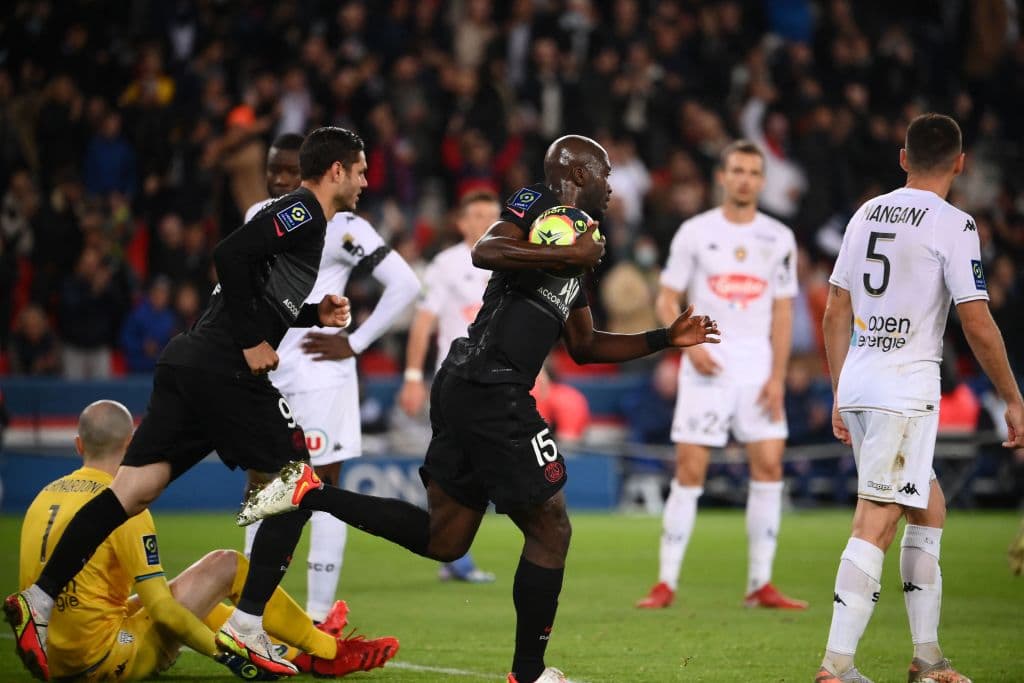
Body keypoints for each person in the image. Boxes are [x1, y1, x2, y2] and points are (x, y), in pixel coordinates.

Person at [239, 135, 720, 683]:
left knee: (445, 539)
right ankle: (529, 673)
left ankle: (310, 492)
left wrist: (665, 338)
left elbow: (585, 346)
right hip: (492, 387)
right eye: (605, 174)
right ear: (579, 174)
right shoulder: (537, 203)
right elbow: (485, 250)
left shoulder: (578, 243)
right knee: (552, 530)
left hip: (470, 386)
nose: (611, 186)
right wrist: (567, 256)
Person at [6, 126, 367, 680]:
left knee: (131, 491)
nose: (365, 181)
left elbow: (248, 291)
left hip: (190, 361)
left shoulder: (304, 223)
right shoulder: (303, 212)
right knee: (296, 482)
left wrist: (312, 315)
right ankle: (248, 625)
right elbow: (229, 254)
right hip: (223, 367)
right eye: (360, 171)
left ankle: (40, 597)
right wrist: (252, 343)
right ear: (336, 170)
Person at [817, 113, 1024, 683]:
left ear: (904, 158)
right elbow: (976, 321)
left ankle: (927, 659)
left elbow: (835, 310)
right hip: (903, 391)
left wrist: (839, 391)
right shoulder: (954, 224)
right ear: (961, 164)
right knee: (876, 522)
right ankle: (836, 666)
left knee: (929, 508)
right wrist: (1013, 397)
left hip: (861, 382)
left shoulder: (865, 213)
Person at [16, 400, 398, 681]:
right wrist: (226, 656)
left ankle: (299, 648)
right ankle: (326, 650)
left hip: (54, 659)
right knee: (225, 566)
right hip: (104, 661)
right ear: (133, 443)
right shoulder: (122, 506)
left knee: (195, 590)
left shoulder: (43, 496)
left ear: (78, 445)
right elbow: (163, 612)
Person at [240, 132, 422, 622]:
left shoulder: (344, 226)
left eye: (290, 170)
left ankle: (320, 618)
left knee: (320, 487)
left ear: (311, 171)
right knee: (263, 487)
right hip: (267, 371)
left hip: (321, 375)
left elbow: (406, 285)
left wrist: (355, 342)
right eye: (273, 170)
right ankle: (253, 612)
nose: (280, 179)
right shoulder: (258, 214)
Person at [636, 140, 807, 611]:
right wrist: (686, 346)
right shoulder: (695, 232)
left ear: (762, 181)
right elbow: (666, 297)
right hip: (706, 363)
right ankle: (665, 582)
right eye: (737, 170)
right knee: (690, 470)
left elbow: (783, 311)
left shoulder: (779, 237)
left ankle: (760, 583)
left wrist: (777, 376)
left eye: (753, 172)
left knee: (769, 466)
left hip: (757, 368)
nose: (744, 179)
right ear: (722, 176)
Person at [398, 189, 503, 583]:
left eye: (492, 215)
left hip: (500, 380)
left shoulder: (510, 259)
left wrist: (538, 373)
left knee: (477, 467)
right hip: (458, 381)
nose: (486, 222)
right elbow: (424, 322)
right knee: (463, 466)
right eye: (477, 215)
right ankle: (455, 554)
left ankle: (453, 551)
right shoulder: (446, 264)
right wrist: (412, 377)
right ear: (461, 223)